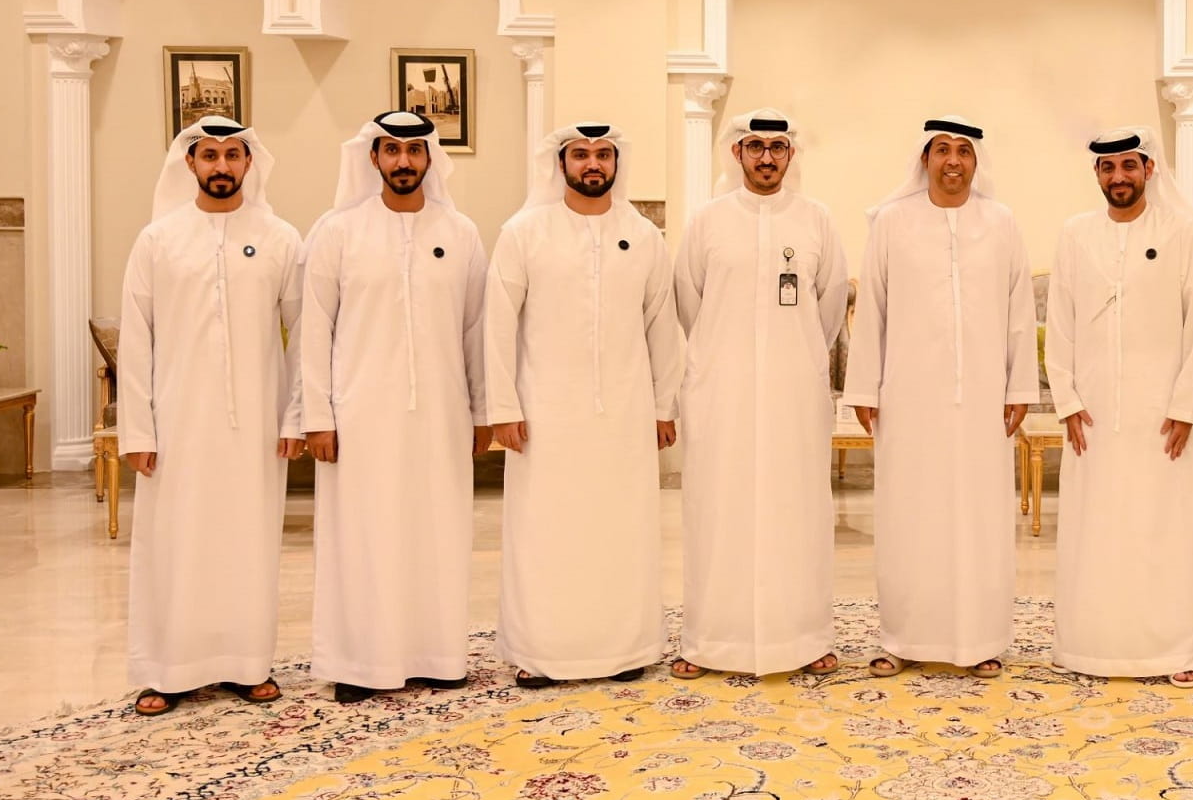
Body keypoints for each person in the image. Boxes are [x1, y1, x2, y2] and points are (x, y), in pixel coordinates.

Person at [299, 111, 491, 704]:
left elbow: (475, 330)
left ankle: (438, 655)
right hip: (359, 417)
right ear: (373, 157)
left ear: (430, 158)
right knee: (363, 537)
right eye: (391, 150)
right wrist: (317, 416)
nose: (403, 161)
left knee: (437, 531)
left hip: (440, 414)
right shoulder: (337, 232)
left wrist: (482, 411)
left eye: (413, 151)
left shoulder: (461, 233)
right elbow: (315, 329)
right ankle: (361, 663)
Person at [486, 122, 684, 688]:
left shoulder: (642, 236)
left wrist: (663, 406)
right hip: (544, 415)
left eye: (602, 154)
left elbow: (662, 325)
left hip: (624, 412)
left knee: (622, 531)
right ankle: (541, 652)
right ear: (561, 163)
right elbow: (497, 324)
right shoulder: (524, 232)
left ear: (616, 164)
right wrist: (503, 407)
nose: (592, 164)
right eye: (580, 154)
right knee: (546, 532)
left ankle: (625, 648)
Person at [120, 118, 304, 716]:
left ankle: (247, 664)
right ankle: (167, 669)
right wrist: (138, 429)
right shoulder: (158, 239)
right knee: (174, 543)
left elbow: (303, 332)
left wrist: (294, 415)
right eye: (209, 156)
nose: (221, 166)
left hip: (256, 425)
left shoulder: (280, 238)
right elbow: (136, 339)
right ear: (190, 163)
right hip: (176, 423)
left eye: (232, 155)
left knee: (249, 542)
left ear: (249, 163)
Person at [843, 117, 1038, 678]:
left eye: (964, 151)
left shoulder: (1001, 223)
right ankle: (901, 637)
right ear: (924, 159)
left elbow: (1020, 310)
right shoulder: (892, 222)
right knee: (908, 517)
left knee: (980, 520)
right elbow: (872, 308)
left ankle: (981, 639)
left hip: (983, 399)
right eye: (942, 150)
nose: (953, 160)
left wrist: (1021, 386)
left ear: (976, 162)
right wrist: (865, 387)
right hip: (907, 398)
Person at [672, 108, 848, 679]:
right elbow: (690, 303)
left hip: (794, 394)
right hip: (721, 393)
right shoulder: (707, 222)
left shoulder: (817, 220)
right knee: (718, 510)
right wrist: (726, 359)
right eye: (755, 146)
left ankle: (805, 637)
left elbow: (829, 308)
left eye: (777, 147)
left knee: (798, 510)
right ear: (737, 153)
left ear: (791, 154)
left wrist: (791, 357)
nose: (766, 157)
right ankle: (710, 640)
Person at [1045, 126, 1193, 687]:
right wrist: (1067, 399)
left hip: (1163, 415)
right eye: (1108, 167)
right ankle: (1089, 645)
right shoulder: (1075, 234)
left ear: (1149, 170)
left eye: (1129, 165)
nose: (1119, 176)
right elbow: (1060, 320)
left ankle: (1173, 649)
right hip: (1093, 414)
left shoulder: (1182, 231)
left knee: (1165, 528)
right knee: (1095, 529)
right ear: (1097, 174)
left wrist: (1185, 405)